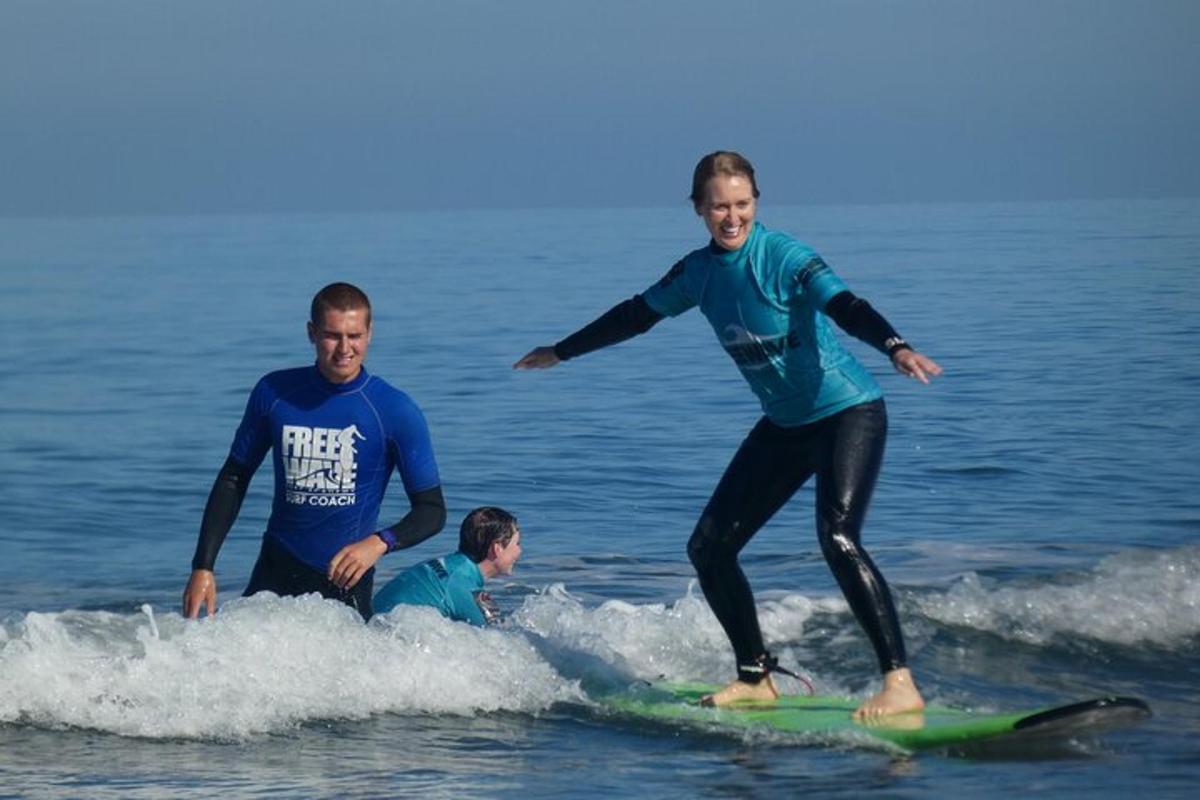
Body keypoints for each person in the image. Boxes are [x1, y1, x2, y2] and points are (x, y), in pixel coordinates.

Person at [514, 151, 942, 718]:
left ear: (756, 204)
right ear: (699, 208)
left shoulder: (784, 256)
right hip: (787, 426)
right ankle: (755, 676)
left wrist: (896, 346)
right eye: (719, 206)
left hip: (847, 412)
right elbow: (635, 315)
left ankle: (899, 684)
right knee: (709, 548)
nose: (731, 216)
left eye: (741, 204)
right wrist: (560, 352)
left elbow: (846, 305)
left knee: (837, 536)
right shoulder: (698, 273)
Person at [182, 282, 446, 621]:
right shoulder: (275, 393)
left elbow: (432, 510)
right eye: (332, 335)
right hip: (276, 569)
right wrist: (203, 566)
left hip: (345, 581)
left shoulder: (394, 410)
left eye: (354, 336)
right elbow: (234, 478)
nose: (344, 349)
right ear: (312, 332)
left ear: (370, 333)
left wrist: (380, 542)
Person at [374, 506, 522, 626]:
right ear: (497, 548)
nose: (519, 550)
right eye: (517, 544)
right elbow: (496, 639)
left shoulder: (444, 564)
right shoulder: (469, 591)